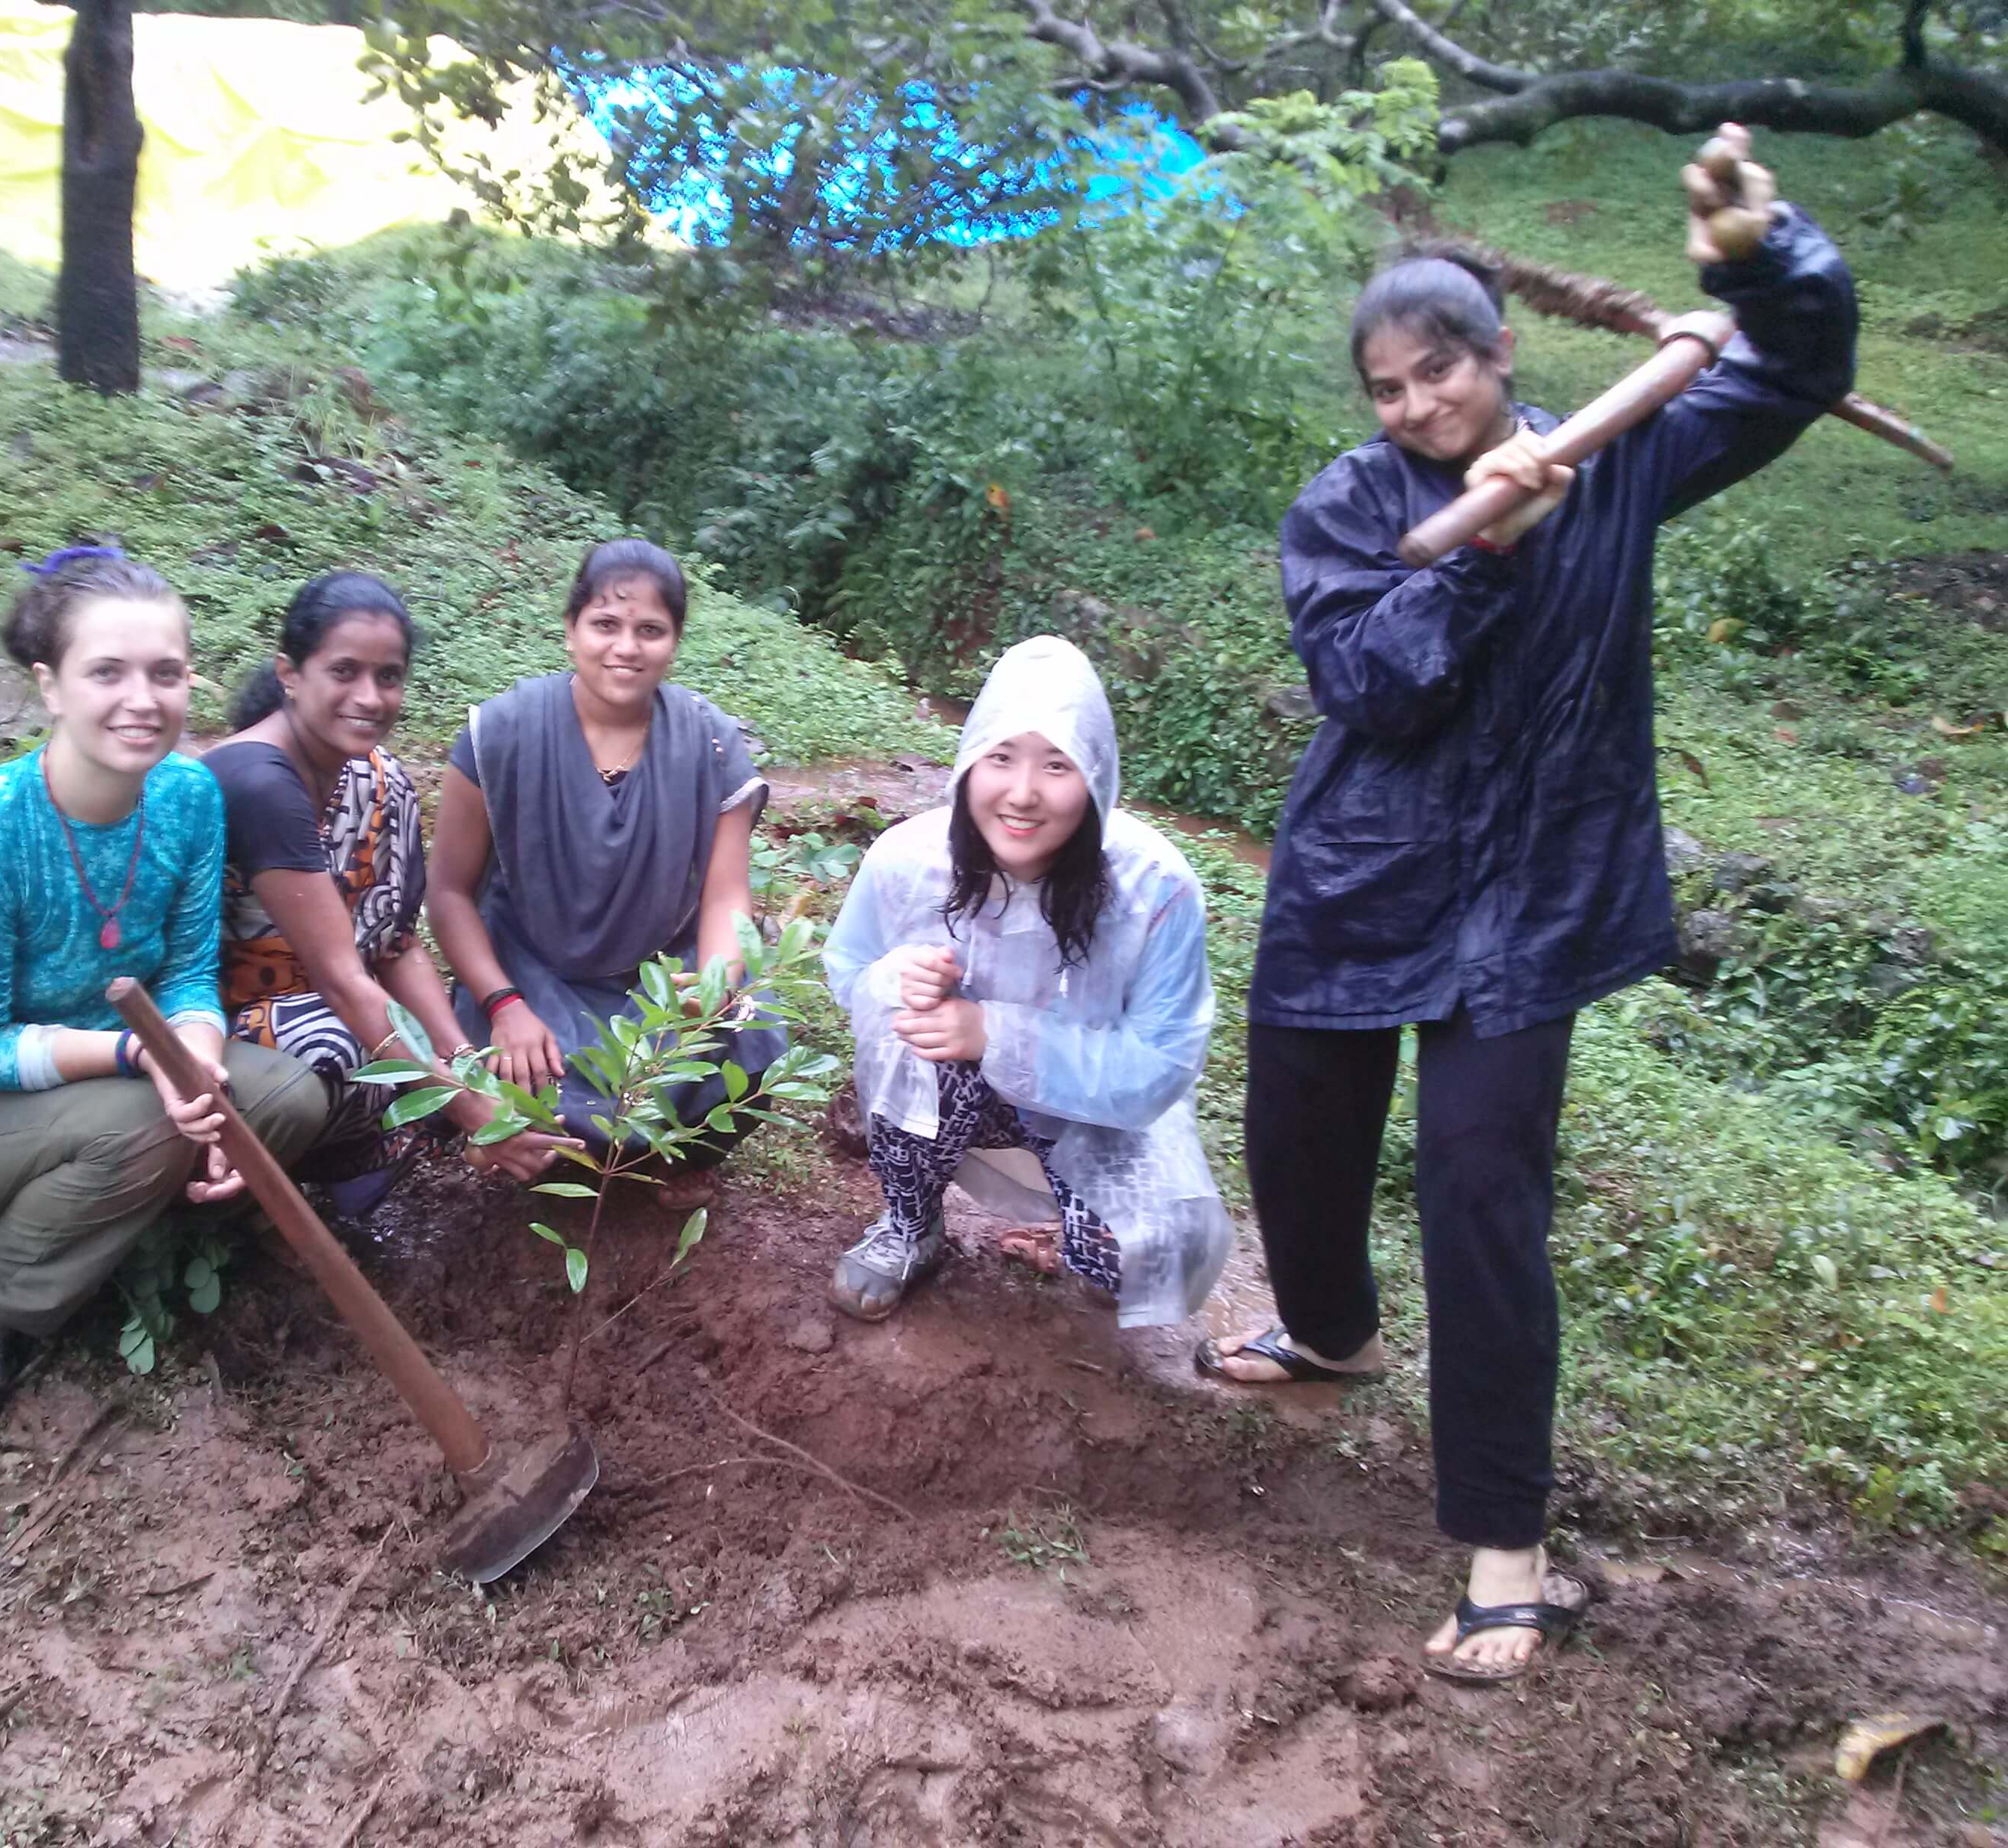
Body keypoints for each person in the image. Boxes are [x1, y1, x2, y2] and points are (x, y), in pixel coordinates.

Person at [1197, 126, 1857, 1683]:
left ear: (1502, 355)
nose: (1420, 405)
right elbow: (1371, 683)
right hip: (1363, 884)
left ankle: (1507, 1548)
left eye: (1443, 372)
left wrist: (1762, 261)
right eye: (1391, 388)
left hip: (1532, 905)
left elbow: (1796, 372)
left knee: (1481, 1195)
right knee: (1296, 1144)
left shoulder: (1622, 453)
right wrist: (1488, 545)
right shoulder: (1349, 506)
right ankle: (1334, 1337)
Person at [0, 549, 329, 1424]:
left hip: (113, 1078)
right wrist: (141, 1060)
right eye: (106, 672)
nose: (141, 700)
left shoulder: (188, 795)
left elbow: (188, 971)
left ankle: (130, 1227)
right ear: (52, 686)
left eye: (165, 672)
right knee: (146, 1117)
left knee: (289, 1096)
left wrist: (201, 1070)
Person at [822, 634, 1233, 1329]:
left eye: (1057, 765)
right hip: (960, 1094)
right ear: (968, 763)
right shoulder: (908, 860)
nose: (1023, 794)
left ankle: (1079, 1227)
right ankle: (912, 1225)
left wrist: (994, 1031)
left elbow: (1162, 1061)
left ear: (1097, 777)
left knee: (1154, 1254)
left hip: (1093, 1111)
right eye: (1001, 757)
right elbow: (850, 971)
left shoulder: (1154, 888)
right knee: (903, 1018)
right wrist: (900, 983)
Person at [425, 539, 782, 1205]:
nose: (626, 647)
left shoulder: (709, 742)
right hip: (531, 975)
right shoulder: (501, 732)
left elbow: (726, 892)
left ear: (674, 642)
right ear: (571, 632)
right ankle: (535, 1142)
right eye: (605, 625)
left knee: (753, 1024)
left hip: (656, 974)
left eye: (651, 630)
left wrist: (715, 984)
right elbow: (447, 892)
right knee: (529, 1064)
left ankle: (672, 1157)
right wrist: (505, 1006)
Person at [208, 571, 577, 1200]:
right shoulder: (255, 780)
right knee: (358, 1043)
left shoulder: (380, 781)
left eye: (388, 676)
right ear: (290, 674)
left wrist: (466, 1065)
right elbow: (344, 982)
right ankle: (271, 1190)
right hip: (217, 1025)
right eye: (344, 671)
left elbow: (396, 946)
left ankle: (343, 1174)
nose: (370, 697)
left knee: (454, 1048)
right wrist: (464, 1107)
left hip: (328, 1010)